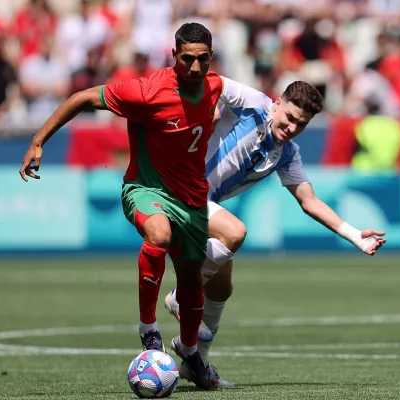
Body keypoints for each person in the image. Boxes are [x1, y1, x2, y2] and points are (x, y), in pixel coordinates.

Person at [19, 22, 222, 390]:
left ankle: (191, 354)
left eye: (202, 59)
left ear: (211, 58)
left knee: (192, 282)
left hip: (191, 198)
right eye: (187, 59)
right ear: (174, 55)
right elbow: (82, 98)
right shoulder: (145, 92)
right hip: (146, 188)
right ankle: (149, 330)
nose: (195, 67)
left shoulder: (215, 86)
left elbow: (215, 113)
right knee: (158, 235)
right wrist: (38, 140)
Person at [163, 79, 387, 388]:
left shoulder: (286, 153)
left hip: (203, 202)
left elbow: (309, 200)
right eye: (290, 117)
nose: (293, 127)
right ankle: (182, 298)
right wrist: (211, 109)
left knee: (221, 288)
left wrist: (354, 235)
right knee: (235, 232)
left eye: (302, 124)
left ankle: (195, 364)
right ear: (277, 102)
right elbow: (213, 81)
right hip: (177, 186)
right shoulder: (253, 103)